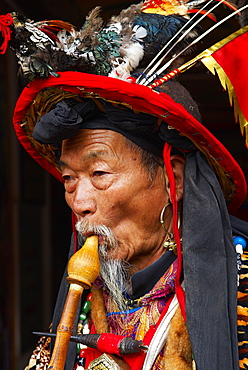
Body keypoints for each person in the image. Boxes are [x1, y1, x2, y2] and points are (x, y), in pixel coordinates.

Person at [2, 0, 248, 369]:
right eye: (69, 178)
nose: (79, 202)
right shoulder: (84, 301)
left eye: (99, 174)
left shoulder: (241, 291)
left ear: (173, 179)